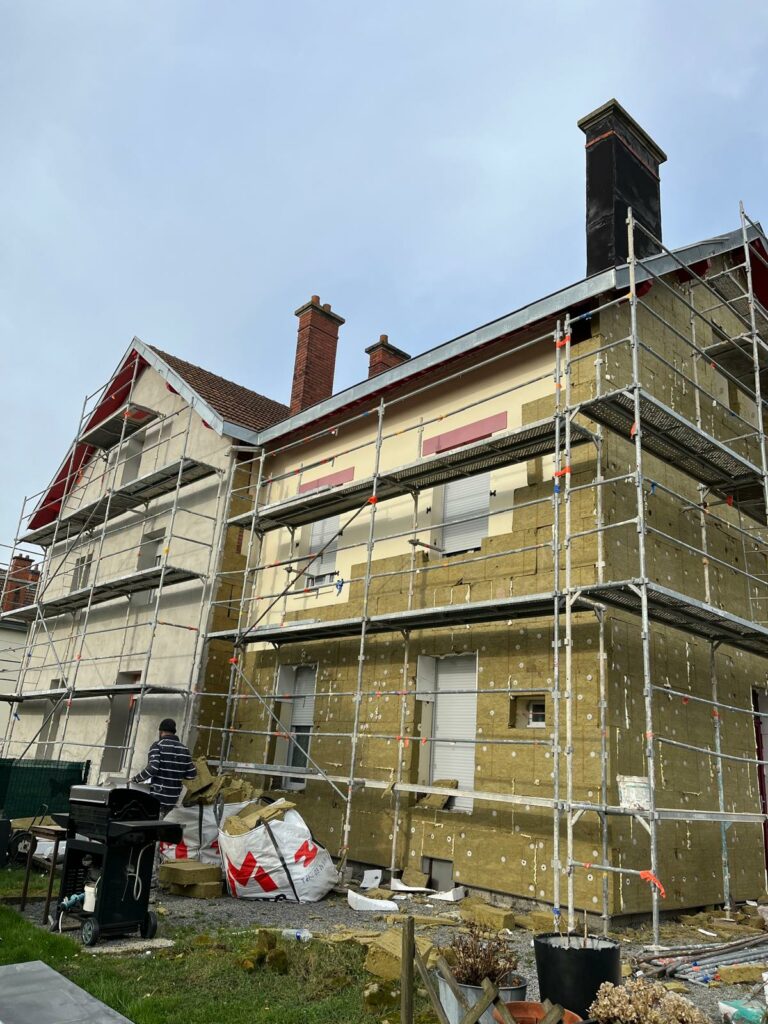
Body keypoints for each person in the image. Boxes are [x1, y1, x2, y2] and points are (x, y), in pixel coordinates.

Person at [131, 718, 196, 815]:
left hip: (157, 797)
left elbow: (152, 769)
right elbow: (192, 775)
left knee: (150, 824)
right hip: (173, 799)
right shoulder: (184, 750)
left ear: (160, 732)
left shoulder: (158, 746)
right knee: (162, 825)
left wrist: (135, 779)